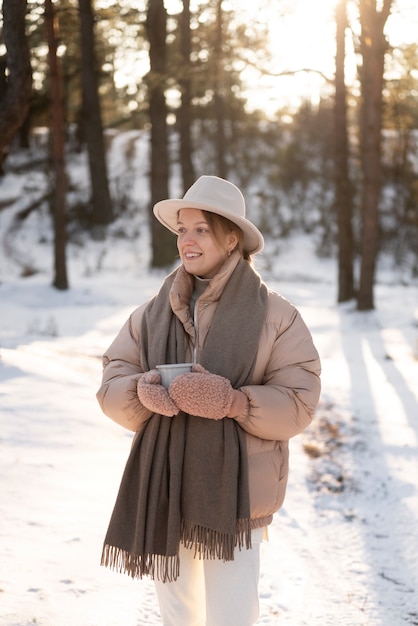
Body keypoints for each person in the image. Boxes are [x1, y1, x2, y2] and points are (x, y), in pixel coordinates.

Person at [96, 175, 321, 626]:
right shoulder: (153, 311)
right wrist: (140, 392)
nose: (187, 241)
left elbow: (300, 400)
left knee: (232, 615)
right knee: (179, 614)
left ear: (231, 237)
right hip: (167, 483)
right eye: (182, 230)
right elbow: (112, 380)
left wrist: (235, 403)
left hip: (236, 496)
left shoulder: (276, 315)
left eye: (200, 229)